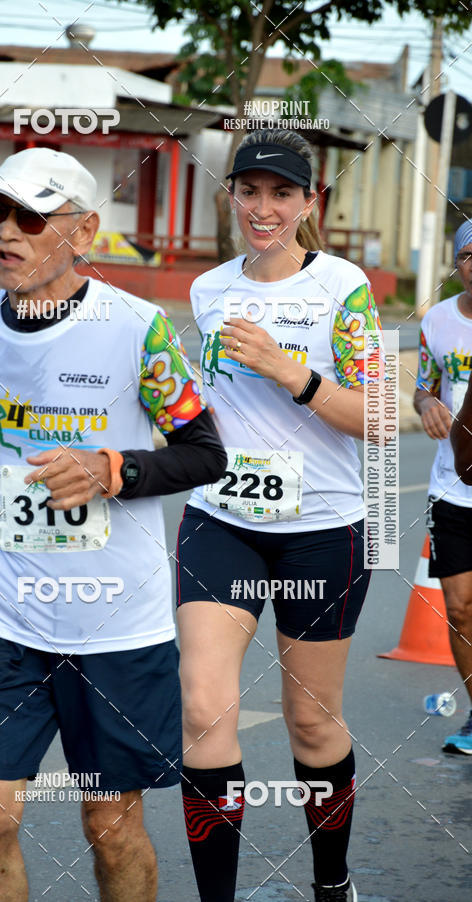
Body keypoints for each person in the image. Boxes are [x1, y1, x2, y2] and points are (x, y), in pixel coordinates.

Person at [0, 147, 226, 902]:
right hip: (2, 619)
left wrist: (111, 469)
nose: (4, 232)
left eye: (30, 217)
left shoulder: (138, 328)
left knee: (109, 822)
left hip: (116, 626)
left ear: (83, 232)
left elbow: (205, 453)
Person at [176, 129, 385, 902]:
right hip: (221, 520)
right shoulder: (208, 290)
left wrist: (289, 372)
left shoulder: (343, 287)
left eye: (281, 193)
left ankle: (332, 882)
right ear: (231, 195)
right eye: (249, 191)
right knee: (204, 709)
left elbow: (378, 419)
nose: (263, 208)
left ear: (307, 202)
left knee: (311, 721)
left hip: (322, 533)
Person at [414, 219, 472, 755]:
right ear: (457, 264)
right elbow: (423, 387)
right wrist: (427, 402)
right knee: (459, 609)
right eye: (470, 254)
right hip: (452, 489)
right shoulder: (437, 320)